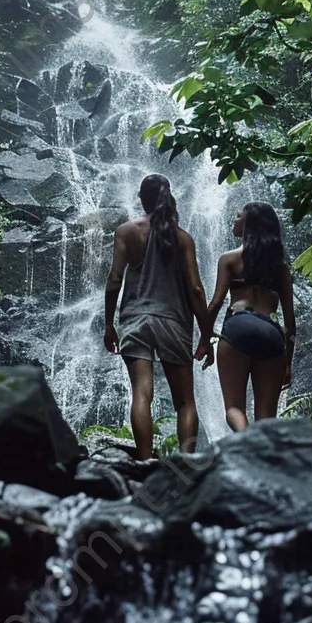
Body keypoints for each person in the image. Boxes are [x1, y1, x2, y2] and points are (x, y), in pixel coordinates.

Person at [104, 174, 212, 459]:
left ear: (142, 199)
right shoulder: (182, 237)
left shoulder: (126, 231)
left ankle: (143, 460)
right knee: (185, 401)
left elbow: (115, 279)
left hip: (135, 319)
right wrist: (206, 332)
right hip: (173, 321)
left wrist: (108, 324)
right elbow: (196, 289)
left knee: (141, 392)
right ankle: (187, 461)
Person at [206, 202, 296, 431]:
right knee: (267, 417)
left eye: (238, 216)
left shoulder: (229, 258)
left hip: (238, 325)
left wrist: (203, 340)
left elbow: (216, 302)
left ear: (249, 224)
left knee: (234, 408)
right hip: (271, 332)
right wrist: (287, 362)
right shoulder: (281, 267)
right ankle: (265, 456)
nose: (234, 221)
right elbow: (290, 321)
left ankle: (246, 444)